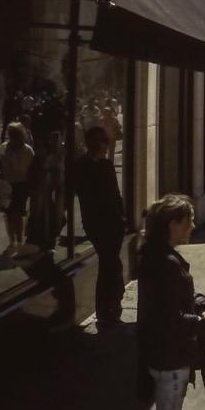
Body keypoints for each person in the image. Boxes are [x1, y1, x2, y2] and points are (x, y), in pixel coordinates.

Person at [137, 194, 205, 410]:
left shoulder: (153, 255)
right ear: (173, 224)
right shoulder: (167, 264)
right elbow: (170, 317)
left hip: (157, 351)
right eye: (188, 220)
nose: (193, 225)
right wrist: (204, 323)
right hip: (170, 357)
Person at [73, 126, 125, 325]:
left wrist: (122, 218)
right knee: (109, 264)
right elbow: (86, 196)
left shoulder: (106, 165)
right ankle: (108, 307)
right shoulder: (83, 166)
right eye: (103, 141)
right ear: (94, 144)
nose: (106, 145)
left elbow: (115, 194)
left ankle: (110, 306)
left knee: (110, 265)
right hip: (98, 224)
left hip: (114, 223)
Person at [0, 123, 35, 254]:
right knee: (8, 214)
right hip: (6, 185)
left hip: (21, 184)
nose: (12, 138)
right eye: (10, 134)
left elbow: (28, 169)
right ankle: (12, 241)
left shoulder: (27, 150)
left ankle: (19, 241)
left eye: (14, 135)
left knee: (18, 213)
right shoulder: (4, 147)